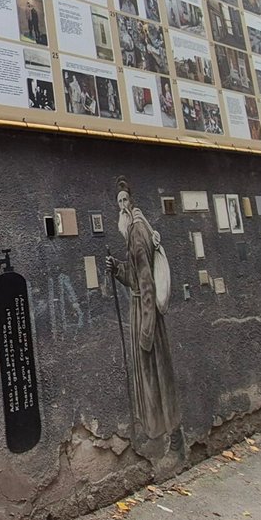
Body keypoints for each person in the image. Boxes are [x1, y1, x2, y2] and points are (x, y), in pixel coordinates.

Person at [110, 182, 181, 446]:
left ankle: (159, 432)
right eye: (118, 202)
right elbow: (135, 274)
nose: (121, 206)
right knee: (157, 372)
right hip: (144, 308)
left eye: (124, 200)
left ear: (131, 202)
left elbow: (146, 281)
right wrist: (117, 268)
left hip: (144, 311)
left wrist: (146, 329)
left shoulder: (137, 232)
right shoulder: (135, 230)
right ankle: (167, 430)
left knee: (151, 373)